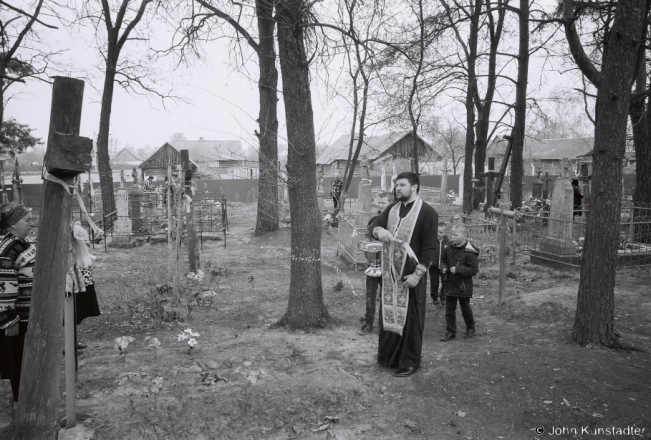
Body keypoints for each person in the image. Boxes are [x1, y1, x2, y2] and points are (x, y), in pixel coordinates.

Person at [370, 172, 438, 377]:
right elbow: (374, 226)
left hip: (411, 275)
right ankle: (388, 357)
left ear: (415, 187)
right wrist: (379, 232)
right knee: (389, 314)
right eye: (396, 185)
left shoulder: (427, 213)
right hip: (390, 275)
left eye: (402, 185)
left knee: (411, 319)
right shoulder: (392, 209)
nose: (397, 188)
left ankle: (409, 362)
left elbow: (429, 249)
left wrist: (418, 275)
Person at [0, 203, 35, 410]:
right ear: (13, 223)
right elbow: (4, 286)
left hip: (26, 318)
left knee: (25, 361)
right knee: (18, 363)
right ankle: (21, 405)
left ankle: (27, 400)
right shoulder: (8, 249)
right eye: (27, 220)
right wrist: (9, 320)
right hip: (17, 321)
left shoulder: (19, 244)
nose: (32, 224)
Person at [440, 224, 479, 342]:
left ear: (465, 236)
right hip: (450, 284)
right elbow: (443, 260)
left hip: (463, 286)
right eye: (451, 233)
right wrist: (444, 267)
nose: (452, 236)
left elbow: (473, 270)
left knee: (465, 308)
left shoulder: (470, 252)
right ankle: (451, 331)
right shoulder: (448, 248)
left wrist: (458, 269)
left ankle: (470, 328)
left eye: (456, 235)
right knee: (449, 310)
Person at [360, 192, 391, 335]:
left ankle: (383, 323)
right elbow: (368, 240)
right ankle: (368, 322)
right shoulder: (374, 220)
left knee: (386, 296)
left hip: (389, 265)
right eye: (379, 202)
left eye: (383, 202)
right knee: (370, 295)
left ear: (392, 204)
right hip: (373, 265)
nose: (380, 205)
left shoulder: (396, 222)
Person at [429, 222, 450, 307]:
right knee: (434, 283)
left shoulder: (448, 243)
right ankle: (434, 298)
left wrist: (448, 265)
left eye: (441, 232)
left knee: (445, 282)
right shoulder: (432, 241)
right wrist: (429, 261)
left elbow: (450, 255)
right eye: (436, 232)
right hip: (433, 266)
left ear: (445, 233)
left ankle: (443, 295)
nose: (438, 234)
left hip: (444, 267)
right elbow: (428, 251)